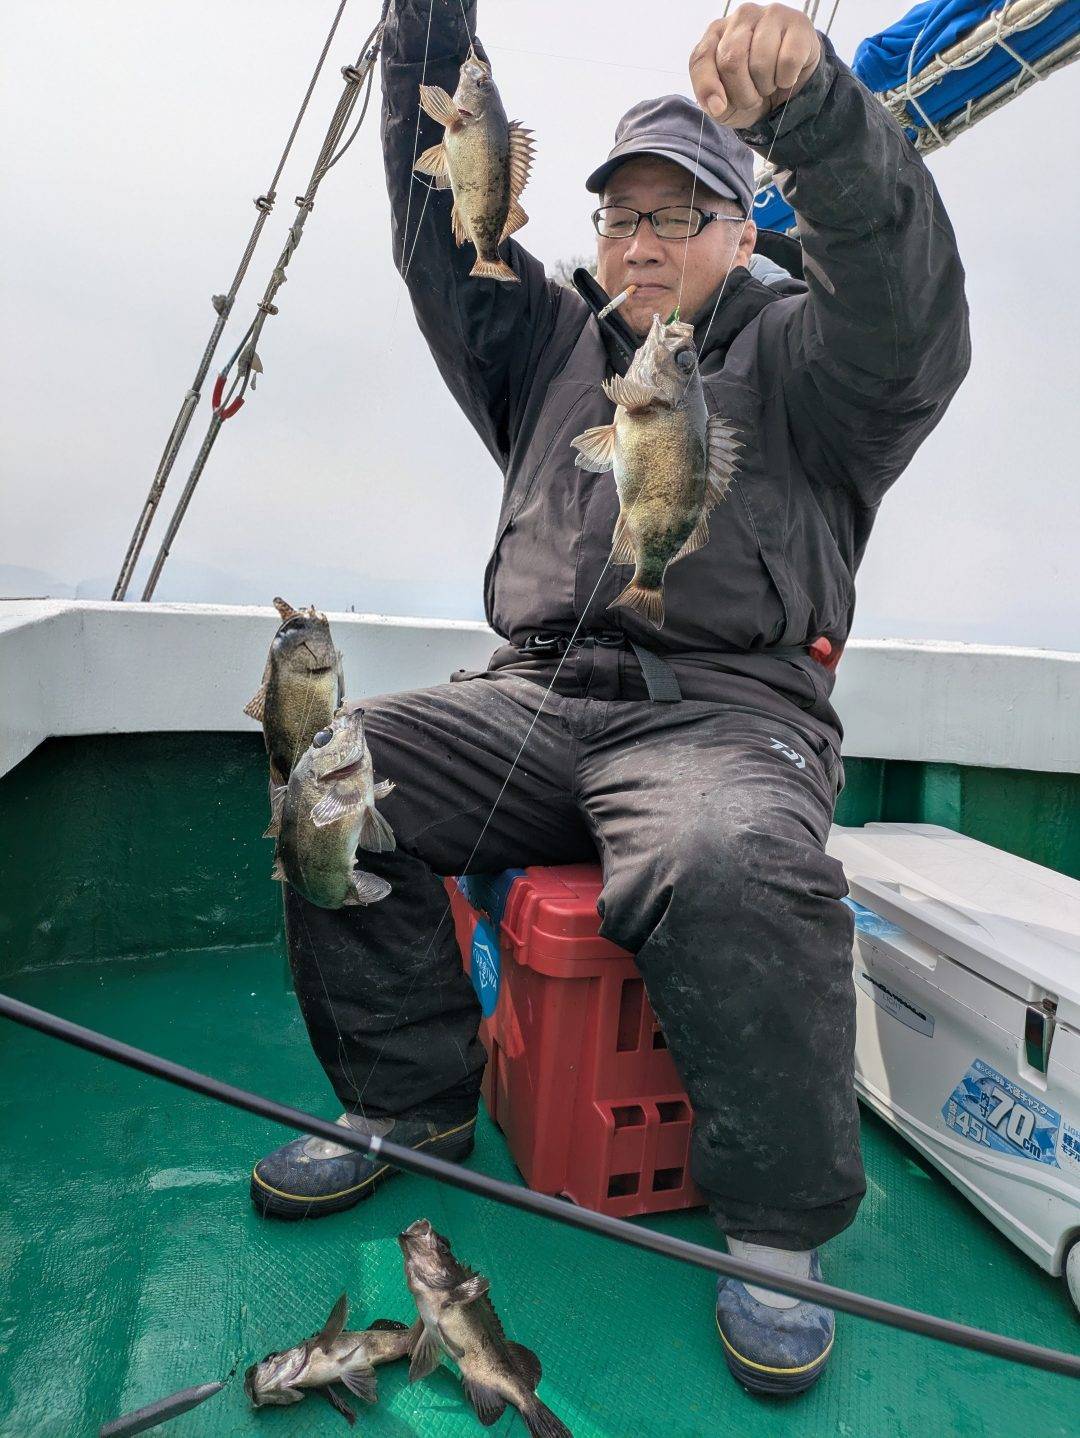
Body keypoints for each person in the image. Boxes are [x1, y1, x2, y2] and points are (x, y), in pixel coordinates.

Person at [251, 0, 970, 1395]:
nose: (641, 241)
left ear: (741, 232)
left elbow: (909, 309)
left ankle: (773, 1230)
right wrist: (428, 26)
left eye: (680, 214)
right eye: (619, 217)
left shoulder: (817, 362)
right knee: (332, 764)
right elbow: (431, 211)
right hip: (534, 696)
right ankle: (407, 1103)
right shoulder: (540, 338)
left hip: (728, 715)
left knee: (731, 857)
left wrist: (817, 117)